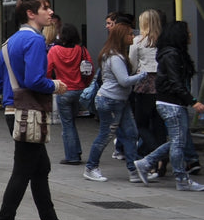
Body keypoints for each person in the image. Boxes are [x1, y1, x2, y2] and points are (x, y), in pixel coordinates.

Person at [0, 0, 81, 220]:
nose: (50, 12)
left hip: (13, 110)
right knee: (23, 170)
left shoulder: (10, 42)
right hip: (29, 112)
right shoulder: (36, 41)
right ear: (31, 14)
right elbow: (34, 80)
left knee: (40, 168)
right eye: (45, 8)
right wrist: (55, 85)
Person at [137, 21, 204, 191]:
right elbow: (176, 83)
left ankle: (146, 163)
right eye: (187, 31)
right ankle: (181, 179)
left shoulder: (170, 54)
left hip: (170, 102)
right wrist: (193, 101)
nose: (190, 34)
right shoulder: (172, 55)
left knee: (177, 140)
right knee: (178, 141)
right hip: (171, 103)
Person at [84, 20, 150, 183]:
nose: (132, 36)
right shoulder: (115, 57)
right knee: (105, 135)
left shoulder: (116, 55)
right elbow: (124, 80)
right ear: (121, 36)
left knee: (131, 134)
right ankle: (91, 168)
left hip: (119, 100)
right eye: (129, 34)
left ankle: (134, 171)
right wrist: (143, 75)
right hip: (110, 101)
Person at [46, 23, 92, 166]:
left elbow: (47, 70)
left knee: (67, 125)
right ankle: (76, 151)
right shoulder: (82, 50)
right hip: (79, 89)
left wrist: (50, 85)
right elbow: (90, 69)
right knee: (71, 122)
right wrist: (86, 85)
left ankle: (72, 156)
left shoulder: (54, 51)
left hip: (63, 90)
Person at [129, 9, 168, 161]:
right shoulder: (164, 40)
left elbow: (132, 65)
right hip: (162, 83)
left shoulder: (137, 41)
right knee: (158, 123)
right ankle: (162, 161)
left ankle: (157, 153)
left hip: (144, 84)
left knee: (140, 123)